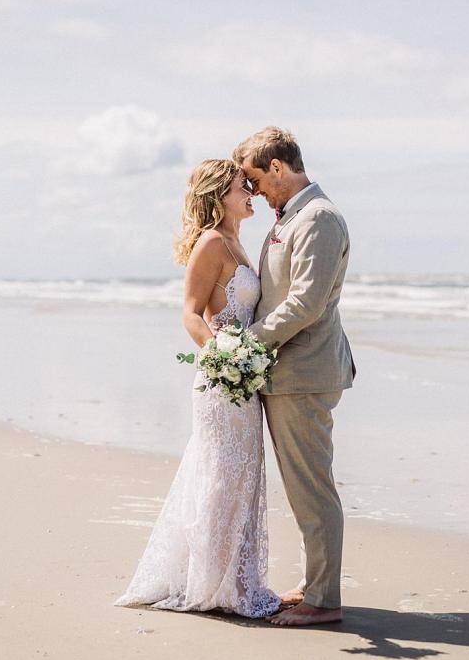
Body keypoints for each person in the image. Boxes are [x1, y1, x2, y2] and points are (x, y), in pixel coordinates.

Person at [113, 159, 280, 618]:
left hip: (243, 379)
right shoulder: (211, 243)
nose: (251, 190)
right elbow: (190, 313)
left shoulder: (238, 243)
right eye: (241, 186)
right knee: (221, 476)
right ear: (217, 195)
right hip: (222, 380)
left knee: (240, 477)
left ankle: (234, 581)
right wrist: (224, 358)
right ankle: (210, 584)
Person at [233, 127, 356, 626]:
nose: (255, 193)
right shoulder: (293, 216)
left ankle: (323, 602)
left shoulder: (319, 219)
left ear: (278, 167)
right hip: (288, 372)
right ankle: (314, 582)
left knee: (312, 488)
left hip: (305, 372)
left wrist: (247, 344)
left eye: (256, 180)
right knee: (303, 486)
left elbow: (304, 303)